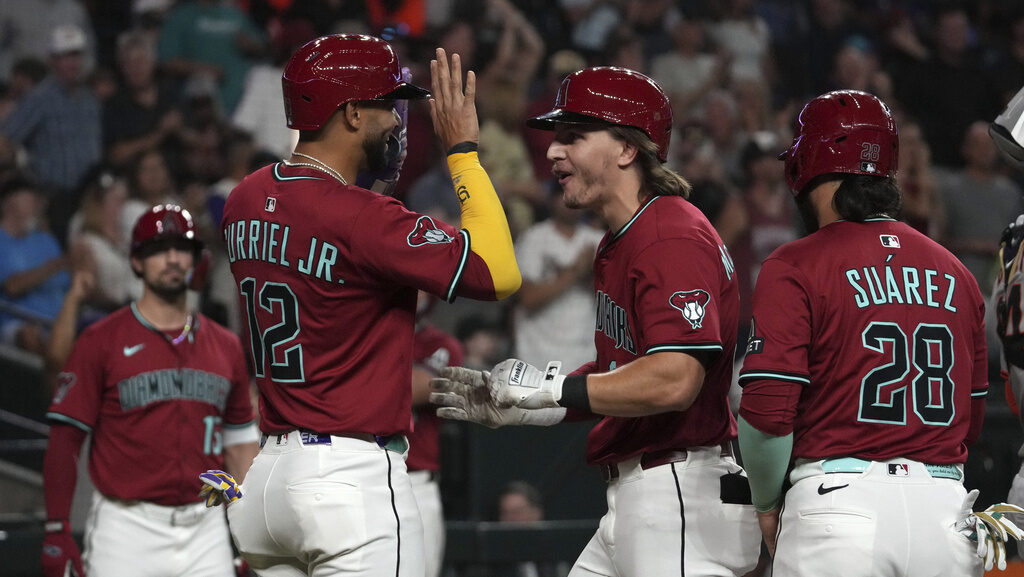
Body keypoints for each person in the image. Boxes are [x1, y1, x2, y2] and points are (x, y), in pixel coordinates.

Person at [432, 66, 760, 577]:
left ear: (627, 148)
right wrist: (531, 405)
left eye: (574, 137)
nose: (552, 151)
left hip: (677, 496)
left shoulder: (669, 236)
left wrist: (552, 389)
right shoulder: (624, 237)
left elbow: (675, 379)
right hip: (645, 495)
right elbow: (622, 370)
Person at [216, 35, 521, 577]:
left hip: (268, 482)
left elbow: (322, 238)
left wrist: (369, 187)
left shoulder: (245, 197)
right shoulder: (367, 218)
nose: (399, 121)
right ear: (352, 113)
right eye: (388, 105)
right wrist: (463, 154)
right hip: (348, 480)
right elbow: (498, 272)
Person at [735, 90, 991, 576]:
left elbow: (768, 411)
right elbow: (971, 420)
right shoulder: (957, 272)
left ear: (804, 166)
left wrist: (766, 504)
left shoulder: (795, 263)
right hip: (945, 511)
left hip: (838, 505)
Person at [40, 204, 259, 577]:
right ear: (136, 262)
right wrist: (56, 527)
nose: (172, 259)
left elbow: (239, 445)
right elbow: (65, 438)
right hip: (126, 528)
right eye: (159, 249)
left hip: (204, 526)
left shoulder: (225, 345)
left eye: (182, 248)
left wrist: (246, 529)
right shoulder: (101, 340)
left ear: (195, 260)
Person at [408, 292, 464, 577]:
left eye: (422, 287)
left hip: (415, 482)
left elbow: (414, 388)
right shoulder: (363, 339)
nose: (415, 292)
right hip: (361, 475)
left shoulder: (440, 344)